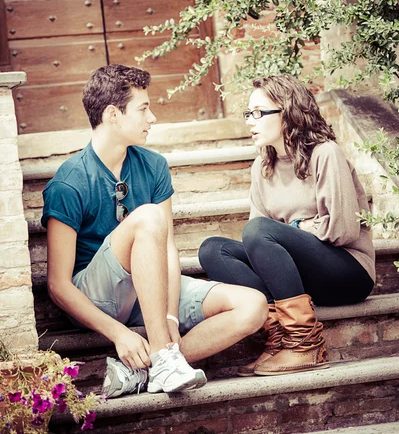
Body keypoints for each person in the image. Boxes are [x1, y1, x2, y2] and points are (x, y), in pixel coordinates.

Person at [42, 64, 268, 397]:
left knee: (253, 306)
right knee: (148, 217)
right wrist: (119, 333)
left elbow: (169, 250)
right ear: (113, 115)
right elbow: (58, 285)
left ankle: (145, 370)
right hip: (98, 297)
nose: (153, 118)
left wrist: (170, 317)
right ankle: (163, 356)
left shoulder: (153, 165)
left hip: (150, 289)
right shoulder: (70, 181)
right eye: (143, 109)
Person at [199, 75, 375, 377]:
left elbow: (343, 229)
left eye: (259, 113)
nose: (250, 121)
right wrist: (296, 230)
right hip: (300, 279)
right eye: (248, 113)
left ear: (287, 113)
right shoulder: (262, 166)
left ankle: (305, 344)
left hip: (348, 272)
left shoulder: (325, 153)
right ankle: (279, 337)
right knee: (213, 250)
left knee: (260, 231)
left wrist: (291, 228)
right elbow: (258, 239)